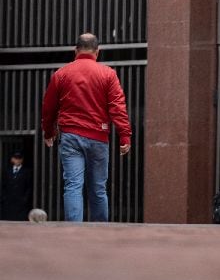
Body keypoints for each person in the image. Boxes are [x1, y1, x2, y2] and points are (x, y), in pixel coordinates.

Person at [40, 33, 132, 222]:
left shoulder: (61, 74)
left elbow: (48, 108)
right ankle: (101, 231)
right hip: (99, 137)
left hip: (71, 136)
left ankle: (73, 231)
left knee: (73, 185)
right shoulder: (108, 74)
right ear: (97, 52)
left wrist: (48, 132)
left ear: (76, 51)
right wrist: (125, 136)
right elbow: (118, 107)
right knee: (98, 188)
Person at [1, 150, 34, 221]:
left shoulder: (27, 171)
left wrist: (25, 199)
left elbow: (29, 187)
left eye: (19, 158)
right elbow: (3, 185)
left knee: (20, 220)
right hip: (8, 202)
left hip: (21, 202)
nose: (18, 160)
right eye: (16, 158)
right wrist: (4, 197)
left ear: (22, 159)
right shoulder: (7, 171)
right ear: (12, 159)